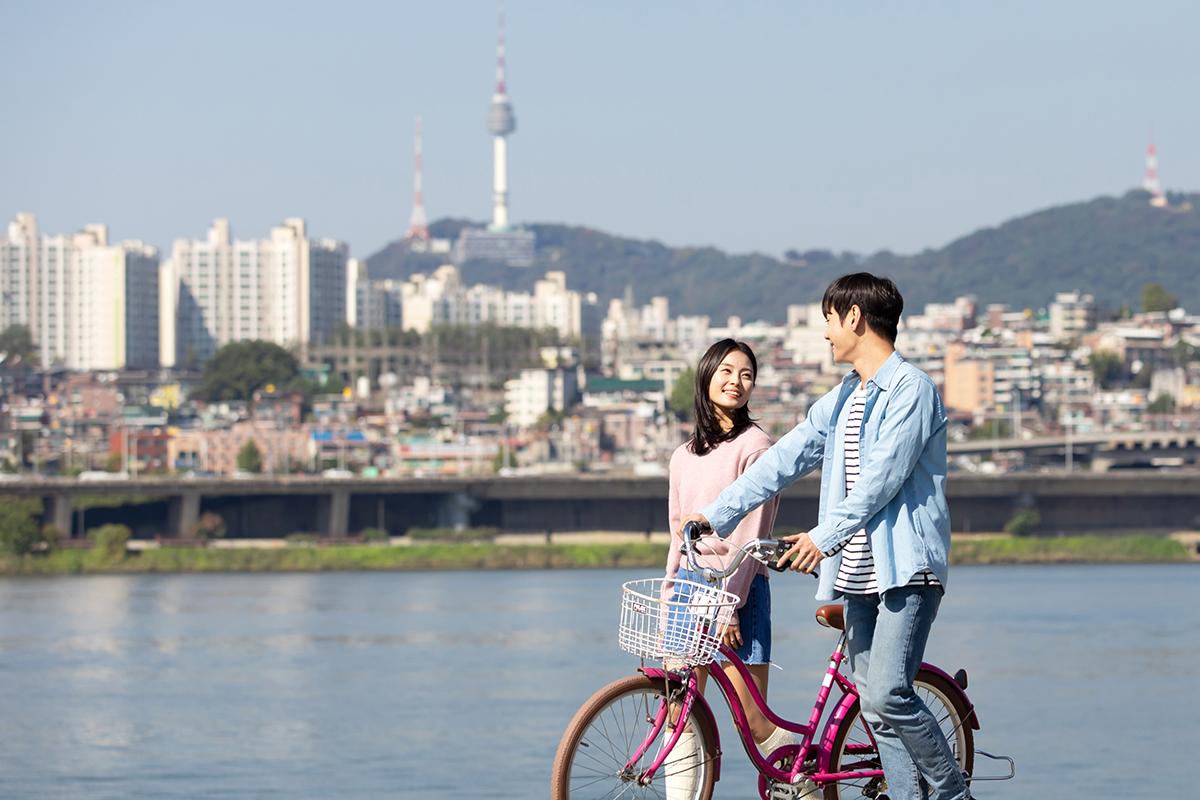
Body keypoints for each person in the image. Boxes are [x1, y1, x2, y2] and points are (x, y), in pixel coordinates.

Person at [680, 274, 970, 800]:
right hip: (859, 574)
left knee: (887, 692)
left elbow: (882, 479)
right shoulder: (841, 398)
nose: (826, 333)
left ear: (855, 318)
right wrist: (714, 515)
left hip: (907, 567)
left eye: (830, 320)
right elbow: (784, 459)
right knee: (875, 712)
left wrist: (821, 536)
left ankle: (953, 794)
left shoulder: (912, 391)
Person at [663, 339, 792, 800]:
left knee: (754, 721)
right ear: (706, 375)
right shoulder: (682, 456)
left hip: (740, 587)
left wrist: (727, 605)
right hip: (690, 589)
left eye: (746, 375)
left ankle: (806, 784)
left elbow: (751, 537)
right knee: (678, 710)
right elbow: (679, 534)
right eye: (726, 371)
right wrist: (669, 596)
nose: (736, 382)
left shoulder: (756, 446)